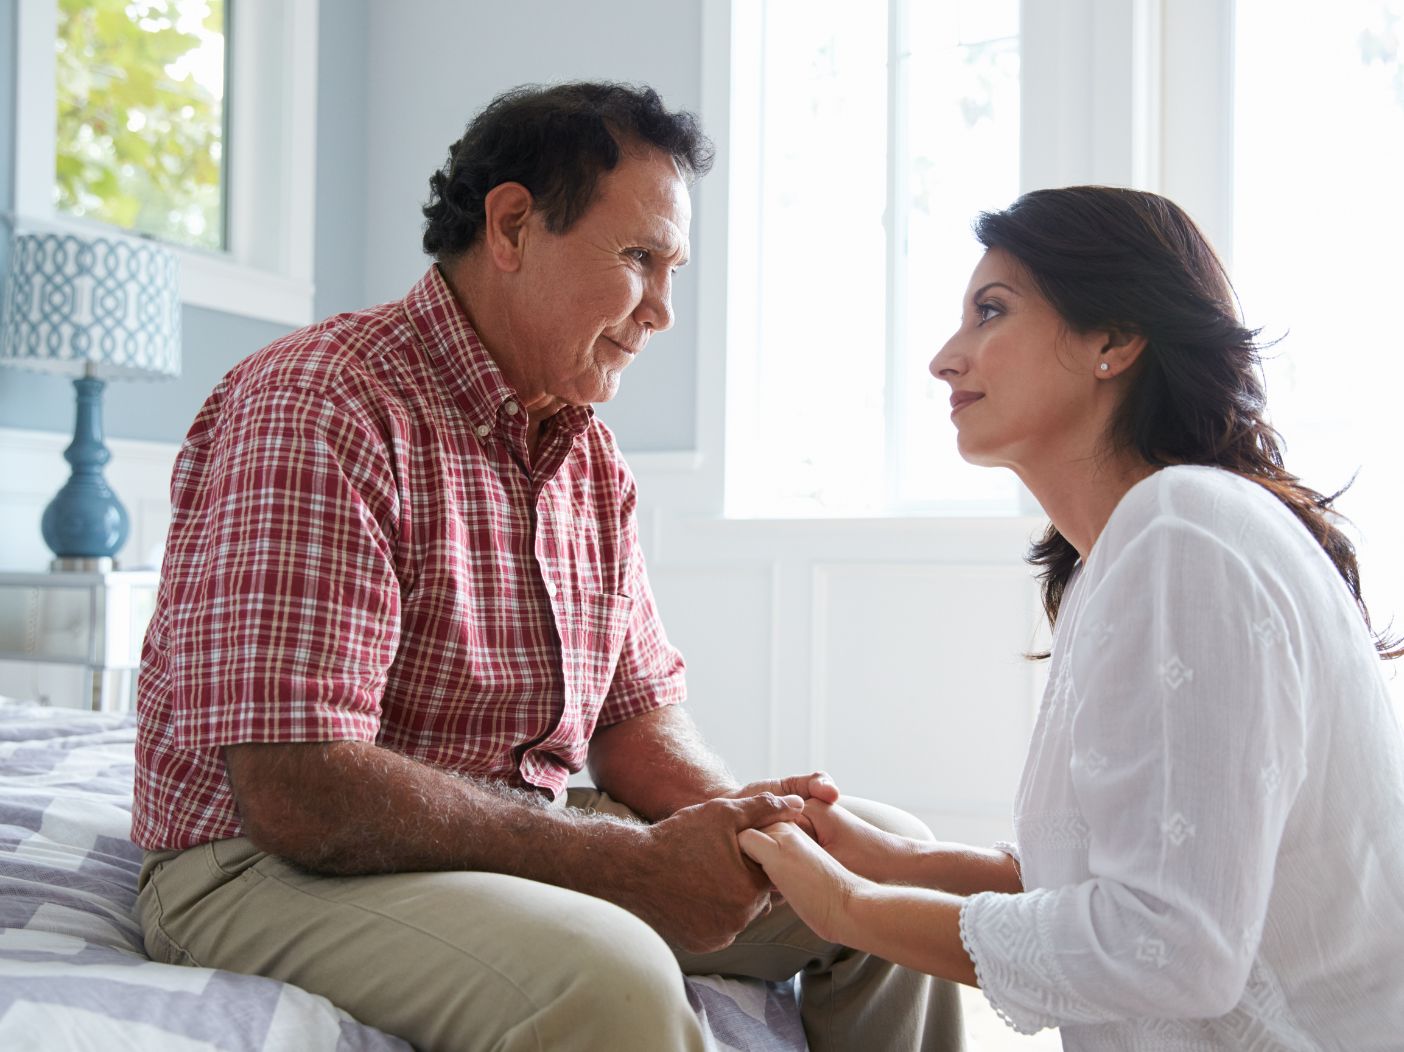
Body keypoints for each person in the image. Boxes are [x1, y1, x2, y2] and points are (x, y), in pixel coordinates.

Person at [130, 82, 963, 1052]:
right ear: (514, 224)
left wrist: (744, 832)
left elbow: (636, 721)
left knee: (882, 894)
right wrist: (624, 860)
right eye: (638, 258)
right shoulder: (324, 403)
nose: (663, 311)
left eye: (673, 269)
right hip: (261, 862)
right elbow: (297, 787)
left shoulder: (588, 455)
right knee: (610, 978)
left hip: (507, 829)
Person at [740, 185, 1404, 1048]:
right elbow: (1131, 876)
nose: (946, 358)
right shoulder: (1148, 541)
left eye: (991, 311)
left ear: (1114, 339)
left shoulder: (1184, 534)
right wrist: (891, 861)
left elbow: (1172, 944)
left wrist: (849, 909)